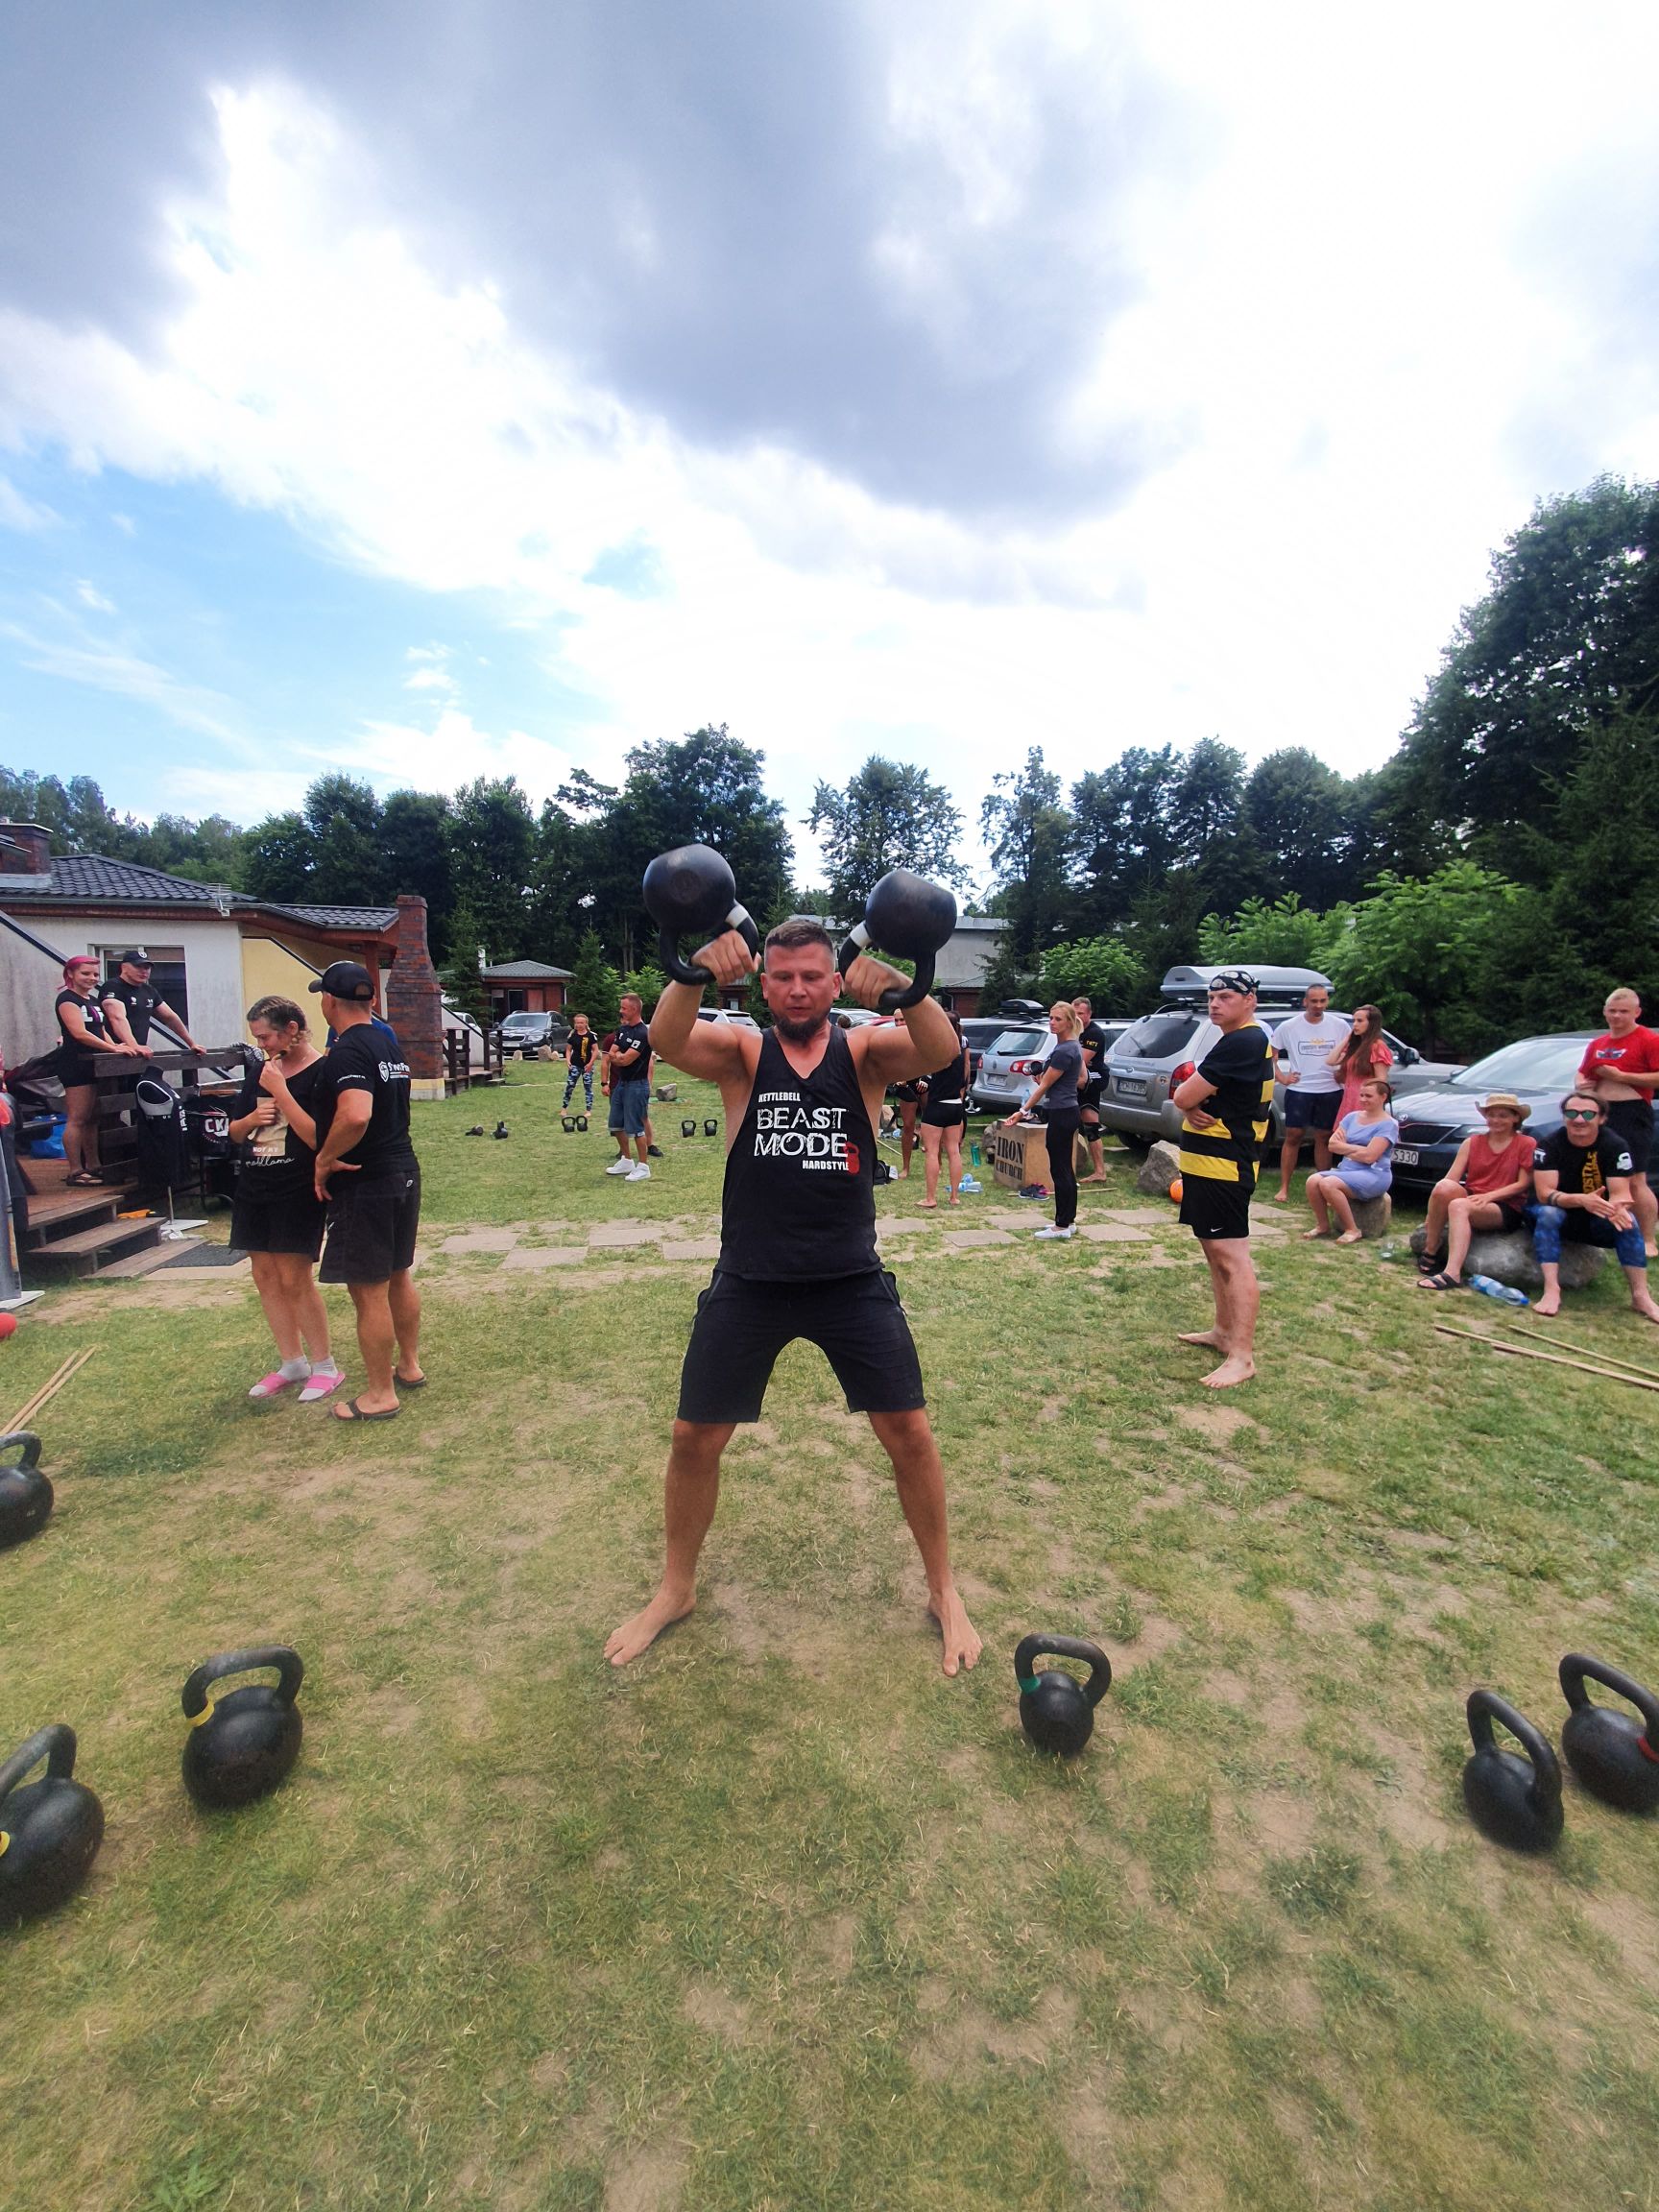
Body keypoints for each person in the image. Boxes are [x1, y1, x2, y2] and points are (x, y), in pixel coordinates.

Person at [605, 917, 980, 1678]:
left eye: (813, 975)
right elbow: (671, 1044)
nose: (799, 988)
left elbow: (940, 1054)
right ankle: (676, 1587)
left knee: (908, 1431)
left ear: (835, 982)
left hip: (849, 1279)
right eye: (783, 977)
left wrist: (908, 993)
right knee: (692, 1438)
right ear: (764, 983)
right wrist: (691, 973)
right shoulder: (745, 1054)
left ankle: (945, 1590)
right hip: (751, 1278)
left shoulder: (866, 1052)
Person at [308, 962, 425, 1420]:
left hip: (367, 1179)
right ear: (371, 1001)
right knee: (399, 1273)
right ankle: (409, 1366)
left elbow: (356, 1115)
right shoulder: (387, 1043)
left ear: (329, 1002)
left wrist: (324, 1158)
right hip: (402, 1171)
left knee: (369, 1289)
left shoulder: (347, 1052)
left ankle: (379, 1394)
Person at [227, 995, 342, 1403]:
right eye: (257, 1039)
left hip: (298, 1185)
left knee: (295, 1278)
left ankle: (325, 1364)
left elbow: (319, 1137)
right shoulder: (260, 1070)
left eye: (267, 1037)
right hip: (255, 1183)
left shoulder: (323, 1072)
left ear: (292, 1028)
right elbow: (235, 1132)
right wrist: (249, 1120)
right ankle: (292, 1361)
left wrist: (281, 1092)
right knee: (265, 1275)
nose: (263, 1046)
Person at [1171, 970, 1275, 1389]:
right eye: (1211, 996)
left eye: (1227, 996)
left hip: (1226, 1165)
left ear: (1250, 1001)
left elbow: (1182, 1094)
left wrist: (1187, 1101)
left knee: (1232, 1256)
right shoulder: (1230, 1040)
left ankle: (1242, 1355)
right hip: (1205, 1163)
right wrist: (1189, 1102)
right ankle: (1222, 1331)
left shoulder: (1245, 1040)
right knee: (1214, 1251)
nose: (1215, 1003)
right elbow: (1190, 1096)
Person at [1527, 1091, 1659, 1324]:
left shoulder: (1615, 1145)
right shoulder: (1548, 1145)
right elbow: (1545, 1194)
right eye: (1572, 1113)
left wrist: (1616, 1207)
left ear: (1602, 1118)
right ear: (1564, 1116)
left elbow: (1621, 1193)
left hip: (1596, 1212)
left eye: (1588, 1114)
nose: (1579, 1119)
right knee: (1549, 1214)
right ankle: (1551, 1289)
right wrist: (1581, 1200)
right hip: (1553, 1211)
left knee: (1628, 1221)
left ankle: (1641, 1296)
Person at [1414, 1093, 1534, 1290]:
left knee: (1459, 1206)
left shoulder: (1526, 1143)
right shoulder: (1472, 1142)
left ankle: (1452, 1272)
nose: (1495, 1120)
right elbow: (1451, 1179)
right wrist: (1433, 1210)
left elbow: (1523, 1184)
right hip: (1474, 1198)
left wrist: (1490, 1196)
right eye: (1491, 1115)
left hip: (1505, 1205)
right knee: (1444, 1187)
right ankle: (1431, 1247)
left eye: (1503, 1115)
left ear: (1516, 1118)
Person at [1577, 988, 1659, 1258]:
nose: (1617, 1016)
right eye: (1612, 1011)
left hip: (1633, 1112)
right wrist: (1581, 1085)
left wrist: (1622, 1076)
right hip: (1601, 1113)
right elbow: (1583, 1072)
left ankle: (1648, 1239)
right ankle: (1608, 1232)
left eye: (1623, 1011)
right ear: (1604, 1012)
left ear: (1636, 1013)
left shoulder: (1648, 1039)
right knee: (1598, 1174)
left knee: (1634, 1178)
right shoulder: (1598, 1044)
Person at [52, 956, 145, 1184]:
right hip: (75, 1063)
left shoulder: (92, 1000)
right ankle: (75, 1170)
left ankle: (94, 1165)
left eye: (95, 974)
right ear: (71, 974)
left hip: (94, 1064)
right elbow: (80, 1033)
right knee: (77, 1117)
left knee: (93, 1117)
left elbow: (100, 1028)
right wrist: (112, 1048)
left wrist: (115, 1045)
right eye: (85, 973)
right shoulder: (67, 999)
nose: (91, 978)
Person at [1001, 1002, 1084, 1240]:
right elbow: (1059, 1081)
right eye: (1050, 1018)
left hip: (1062, 1112)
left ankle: (1062, 1225)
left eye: (1058, 1019)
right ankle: (1068, 1220)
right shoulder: (1069, 1047)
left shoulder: (1064, 1050)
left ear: (1069, 1022)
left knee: (1060, 1169)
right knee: (1064, 1168)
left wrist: (1022, 1111)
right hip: (1065, 1109)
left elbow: (1045, 1085)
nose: (1052, 1022)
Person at [1270, 983, 1350, 1202]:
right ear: (1305, 1001)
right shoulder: (1289, 1026)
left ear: (1327, 1001)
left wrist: (1342, 1071)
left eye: (1322, 1001)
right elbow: (1271, 1054)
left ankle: (1323, 1187)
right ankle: (1284, 1187)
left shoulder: (1339, 1025)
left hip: (1330, 1090)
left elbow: (1351, 1050)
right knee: (1293, 1136)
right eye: (1313, 1001)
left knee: (1324, 1137)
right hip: (1300, 1090)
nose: (1318, 1005)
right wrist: (1282, 1077)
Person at [1302, 1077, 1397, 1243]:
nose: (1363, 1100)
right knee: (1312, 1181)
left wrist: (1345, 1147)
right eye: (1361, 1095)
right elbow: (1332, 1145)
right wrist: (1360, 1150)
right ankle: (1323, 1225)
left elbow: (1370, 1157)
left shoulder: (1388, 1125)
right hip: (1348, 1170)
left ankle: (1352, 1229)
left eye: (1368, 1096)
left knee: (1328, 1183)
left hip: (1374, 1174)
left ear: (1383, 1097)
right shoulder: (1351, 1117)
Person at [101, 950, 201, 1054]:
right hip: (115, 1051)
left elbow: (170, 1017)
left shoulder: (149, 990)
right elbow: (117, 1018)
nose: (144, 971)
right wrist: (134, 1046)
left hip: (138, 1052)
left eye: (147, 968)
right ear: (124, 967)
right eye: (138, 967)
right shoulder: (113, 986)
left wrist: (192, 1044)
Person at [918, 1012, 971, 1209]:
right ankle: (954, 1196)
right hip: (956, 1104)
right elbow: (964, 1073)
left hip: (937, 1104)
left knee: (932, 1151)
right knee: (954, 1151)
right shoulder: (960, 1048)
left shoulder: (939, 1050)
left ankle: (930, 1198)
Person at [604, 992, 654, 1182]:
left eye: (624, 1008)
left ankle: (643, 1166)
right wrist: (617, 1057)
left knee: (635, 1128)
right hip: (621, 1084)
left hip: (637, 1085)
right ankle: (626, 1160)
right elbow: (612, 1054)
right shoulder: (623, 1030)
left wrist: (617, 1058)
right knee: (616, 1124)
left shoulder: (643, 1033)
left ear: (634, 1009)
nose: (621, 1011)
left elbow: (625, 1059)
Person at [1330, 1005, 1393, 1121]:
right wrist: (1348, 1038)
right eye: (1354, 1021)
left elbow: (1381, 1079)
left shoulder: (1377, 1046)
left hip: (1365, 1100)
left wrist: (1364, 1088)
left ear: (1371, 1023)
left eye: (1359, 1021)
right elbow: (1331, 1060)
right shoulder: (1356, 1046)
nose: (1355, 1024)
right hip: (1350, 1099)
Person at [1072, 998, 1111, 1184]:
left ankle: (1100, 1171)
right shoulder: (1072, 1030)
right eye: (1074, 1013)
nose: (1077, 1017)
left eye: (1080, 1013)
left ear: (1089, 1014)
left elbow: (1079, 1061)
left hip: (1094, 1076)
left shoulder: (1094, 1033)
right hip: (1076, 1079)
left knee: (1091, 1125)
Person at [563, 1013, 598, 1113]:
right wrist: (568, 1061)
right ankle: (564, 1108)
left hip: (587, 1066)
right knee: (569, 1086)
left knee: (588, 1087)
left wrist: (591, 1063)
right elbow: (568, 1050)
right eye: (577, 1023)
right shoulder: (572, 1036)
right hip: (575, 1065)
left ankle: (588, 1110)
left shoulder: (591, 1036)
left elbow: (595, 1050)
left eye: (581, 1023)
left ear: (586, 1023)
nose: (579, 1025)